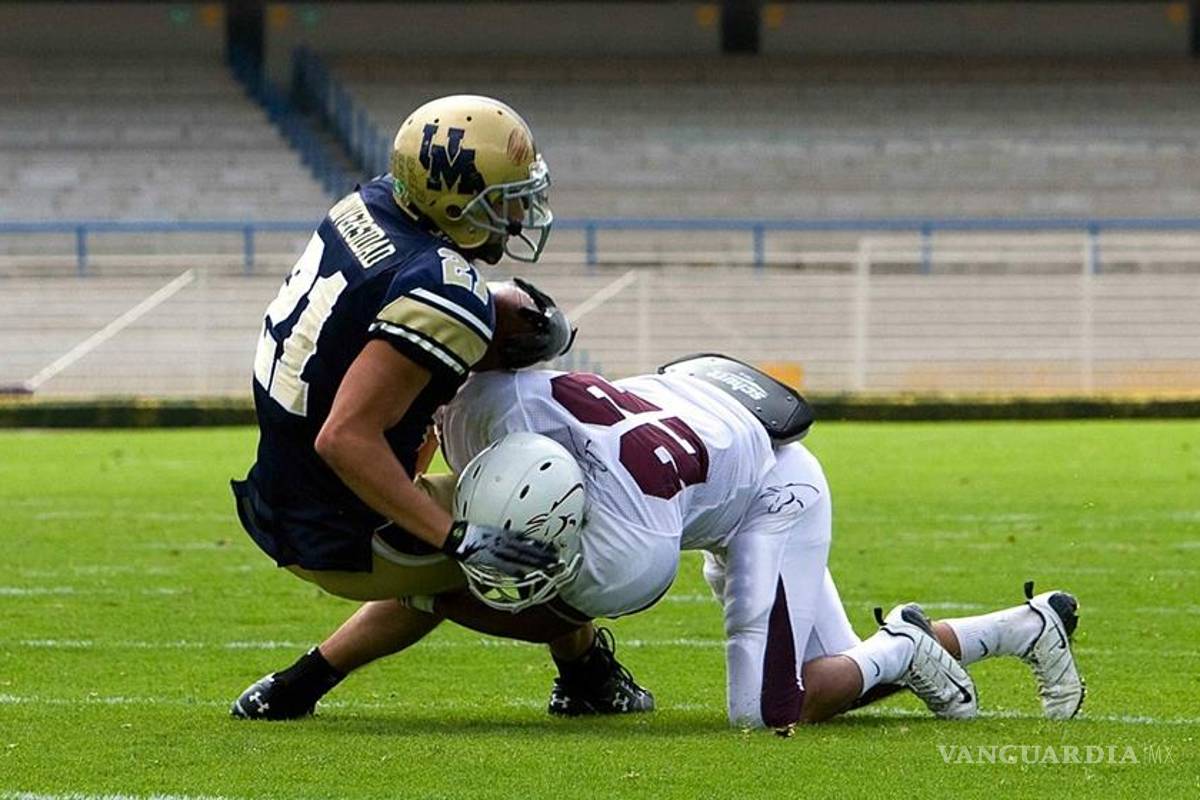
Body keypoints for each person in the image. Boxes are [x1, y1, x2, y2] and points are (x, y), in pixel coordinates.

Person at [236, 357, 1085, 728]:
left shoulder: (622, 553)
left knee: (775, 709)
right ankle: (1025, 628)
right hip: (704, 431)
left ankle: (903, 645)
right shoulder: (486, 410)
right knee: (834, 687)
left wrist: (438, 579)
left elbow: (461, 596)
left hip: (771, 494)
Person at [229, 94, 650, 719]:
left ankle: (294, 687)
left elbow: (370, 330)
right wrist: (457, 537)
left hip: (286, 489)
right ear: (455, 202)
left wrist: (484, 328)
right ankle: (588, 673)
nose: (516, 217)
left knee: (472, 541)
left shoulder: (368, 204)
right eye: (503, 201)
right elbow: (345, 437)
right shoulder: (443, 291)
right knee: (549, 522)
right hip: (342, 523)